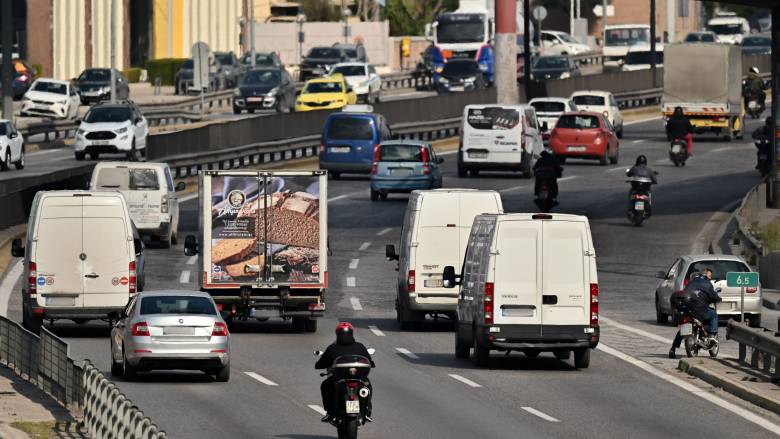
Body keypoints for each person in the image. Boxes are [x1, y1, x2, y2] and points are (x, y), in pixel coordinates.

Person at [315, 322, 374, 422]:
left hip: (339, 379)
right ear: (352, 333)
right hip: (357, 378)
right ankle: (367, 411)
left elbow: (320, 364)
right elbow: (371, 363)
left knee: (325, 385)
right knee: (368, 386)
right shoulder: (360, 346)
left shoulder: (332, 348)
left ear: (337, 334)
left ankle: (330, 412)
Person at [669, 269, 722, 359]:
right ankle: (712, 335)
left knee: (683, 329)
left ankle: (673, 348)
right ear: (706, 277)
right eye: (709, 277)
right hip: (700, 311)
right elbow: (714, 297)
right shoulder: (707, 284)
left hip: (687, 311)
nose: (710, 278)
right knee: (713, 314)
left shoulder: (690, 283)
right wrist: (719, 299)